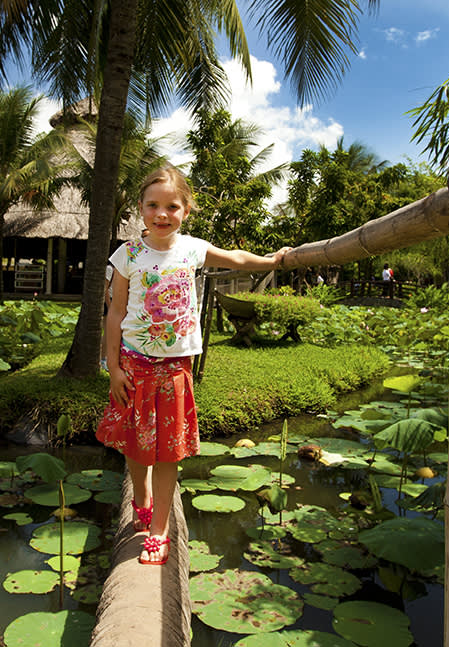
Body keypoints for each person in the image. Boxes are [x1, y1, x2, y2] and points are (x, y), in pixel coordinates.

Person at [97, 165, 291, 566]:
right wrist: (113, 368)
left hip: (175, 370)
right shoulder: (127, 255)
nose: (162, 214)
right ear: (140, 208)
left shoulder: (191, 249)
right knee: (136, 446)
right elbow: (114, 313)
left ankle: (159, 529)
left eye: (172, 206)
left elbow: (237, 259)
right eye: (153, 205)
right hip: (134, 365)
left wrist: (272, 261)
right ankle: (142, 496)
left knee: (168, 454)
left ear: (186, 209)